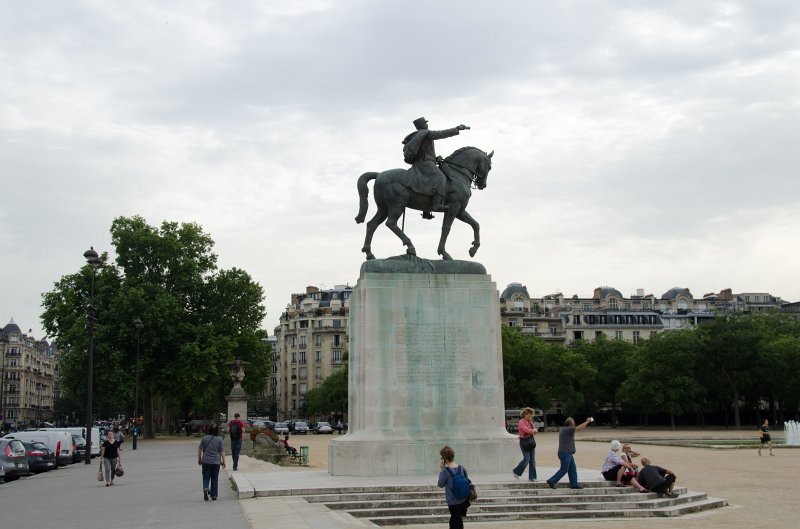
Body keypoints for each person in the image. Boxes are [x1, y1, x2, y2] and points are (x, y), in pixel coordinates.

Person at [402, 117, 469, 219]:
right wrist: (457, 129)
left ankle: (426, 210)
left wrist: (435, 158)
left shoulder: (415, 136)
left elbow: (422, 152)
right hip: (426, 164)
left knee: (428, 182)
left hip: (420, 163)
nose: (427, 124)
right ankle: (436, 204)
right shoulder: (426, 133)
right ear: (422, 125)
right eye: (425, 123)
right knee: (441, 178)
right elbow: (442, 133)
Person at [546, 416, 594, 489]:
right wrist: (587, 421)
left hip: (568, 453)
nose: (574, 425)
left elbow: (578, 428)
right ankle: (551, 481)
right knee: (564, 469)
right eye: (573, 423)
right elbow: (579, 428)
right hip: (565, 453)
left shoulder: (566, 430)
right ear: (569, 424)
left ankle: (574, 484)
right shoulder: (567, 429)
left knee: (572, 469)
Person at [437, 445, 470, 529]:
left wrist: (442, 470)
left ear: (445, 459)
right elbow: (466, 481)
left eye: (442, 458)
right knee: (454, 521)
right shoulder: (462, 468)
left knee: (457, 524)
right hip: (463, 500)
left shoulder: (446, 472)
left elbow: (440, 484)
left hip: (453, 502)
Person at [197, 424, 226, 501]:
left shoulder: (204, 438)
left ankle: (205, 487)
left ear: (209, 430)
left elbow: (200, 449)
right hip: (216, 462)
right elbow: (222, 451)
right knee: (214, 478)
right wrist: (224, 461)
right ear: (217, 431)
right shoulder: (220, 439)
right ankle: (214, 495)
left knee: (206, 477)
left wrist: (199, 459)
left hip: (206, 461)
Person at [512, 407, 539, 481]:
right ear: (524, 414)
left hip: (531, 441)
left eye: (531, 416)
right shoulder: (521, 422)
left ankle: (532, 477)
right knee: (527, 459)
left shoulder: (530, 422)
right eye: (529, 415)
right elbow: (527, 430)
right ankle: (516, 471)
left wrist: (533, 428)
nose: (530, 417)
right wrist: (533, 430)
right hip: (524, 442)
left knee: (532, 460)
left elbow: (534, 430)